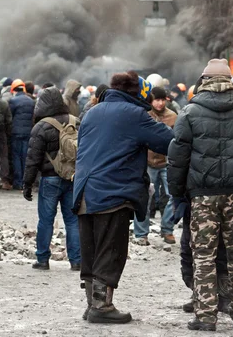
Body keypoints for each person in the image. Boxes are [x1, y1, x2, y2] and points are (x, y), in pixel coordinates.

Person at [73, 71, 173, 324]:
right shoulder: (134, 115)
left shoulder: (93, 111)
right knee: (111, 248)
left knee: (91, 248)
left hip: (85, 191)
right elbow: (167, 141)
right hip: (113, 191)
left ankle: (91, 303)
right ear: (138, 94)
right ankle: (101, 306)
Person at [167, 59, 233, 331]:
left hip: (203, 196)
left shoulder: (190, 111)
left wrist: (177, 193)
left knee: (203, 255)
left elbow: (178, 158)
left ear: (204, 80)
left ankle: (206, 316)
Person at [23, 87, 81, 271]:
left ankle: (42, 259)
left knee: (46, 220)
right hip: (73, 178)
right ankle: (76, 260)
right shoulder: (76, 122)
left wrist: (27, 183)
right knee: (72, 220)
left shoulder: (41, 126)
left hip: (49, 180)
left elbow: (33, 159)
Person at [133, 87, 177, 246]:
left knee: (173, 195)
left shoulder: (173, 117)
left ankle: (168, 229)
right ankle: (141, 233)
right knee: (144, 197)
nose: (159, 103)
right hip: (148, 163)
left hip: (167, 163)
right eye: (156, 100)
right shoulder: (145, 116)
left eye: (162, 99)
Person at [9, 79, 35, 190]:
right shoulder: (31, 101)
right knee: (25, 157)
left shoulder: (13, 101)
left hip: (16, 133)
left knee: (16, 157)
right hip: (28, 132)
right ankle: (26, 182)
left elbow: (10, 117)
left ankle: (18, 182)